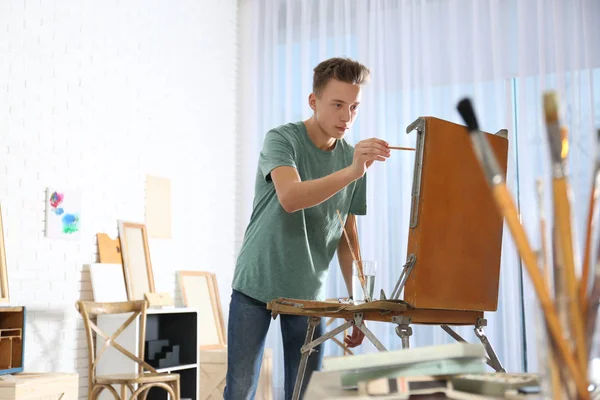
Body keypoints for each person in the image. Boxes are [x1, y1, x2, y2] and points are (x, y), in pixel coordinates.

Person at [224, 57, 391, 400]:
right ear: (313, 102)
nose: (347, 117)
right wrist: (352, 173)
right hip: (256, 281)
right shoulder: (281, 139)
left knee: (303, 393)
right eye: (338, 105)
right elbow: (290, 197)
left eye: (355, 107)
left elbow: (348, 236)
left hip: (308, 295)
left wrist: (358, 305)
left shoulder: (351, 159)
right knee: (240, 391)